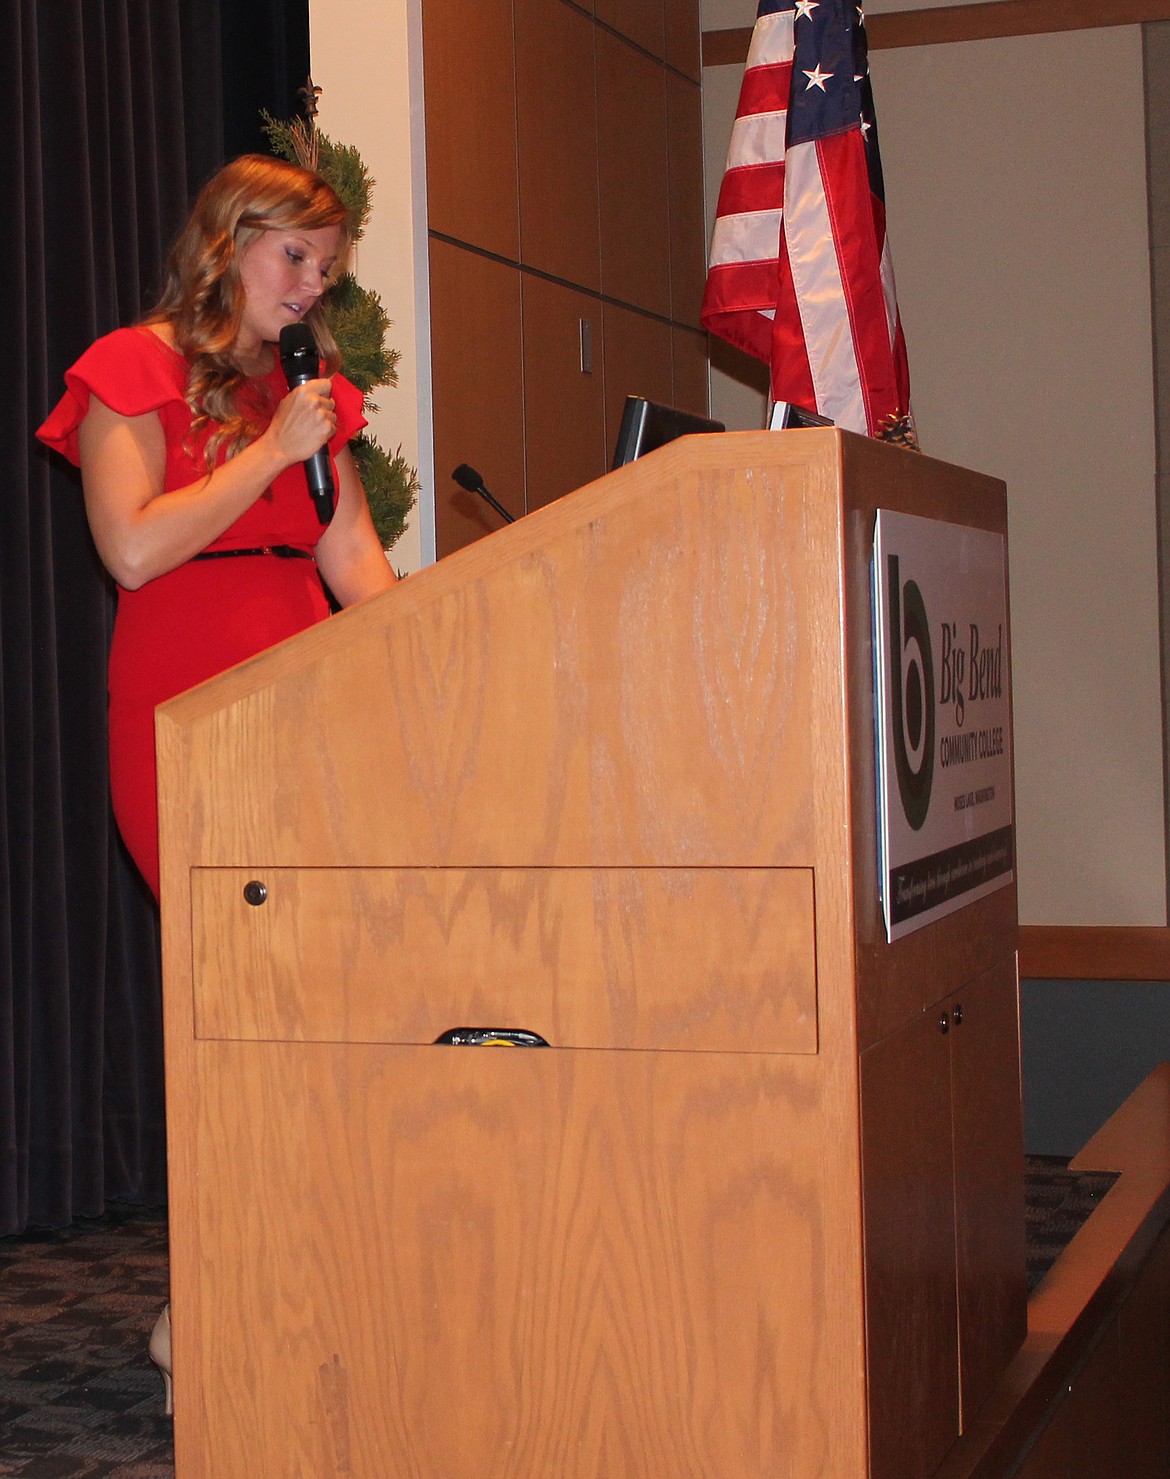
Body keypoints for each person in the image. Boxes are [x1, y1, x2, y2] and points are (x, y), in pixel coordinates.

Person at [36, 153, 400, 1412]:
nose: (312, 286)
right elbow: (133, 548)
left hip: (315, 715)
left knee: (315, 1011)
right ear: (228, 241)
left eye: (329, 268)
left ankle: (279, 1285)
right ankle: (213, 1306)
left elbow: (356, 564)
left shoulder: (311, 396)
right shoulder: (127, 368)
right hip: (188, 716)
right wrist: (265, 455)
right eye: (294, 257)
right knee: (235, 1009)